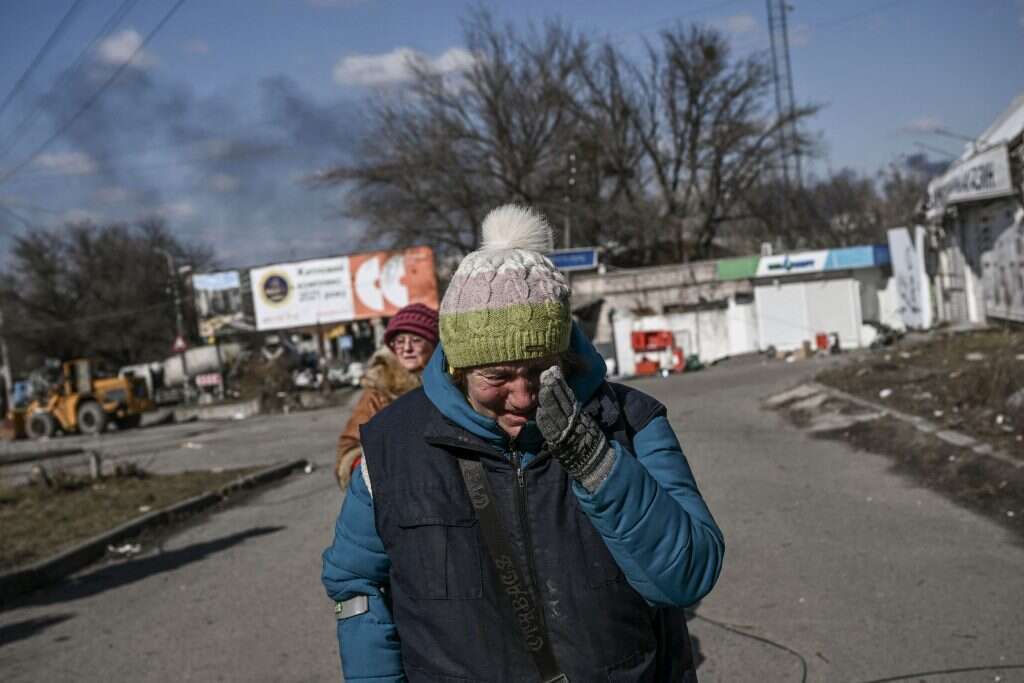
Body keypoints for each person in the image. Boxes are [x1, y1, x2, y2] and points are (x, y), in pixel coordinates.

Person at [322, 205, 724, 681]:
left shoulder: (631, 422)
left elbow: (689, 575)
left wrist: (599, 466)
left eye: (540, 370)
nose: (524, 395)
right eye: (497, 376)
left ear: (565, 354)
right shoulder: (391, 446)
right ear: (459, 367)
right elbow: (357, 586)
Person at [334, 302, 438, 490]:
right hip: (397, 490)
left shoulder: (450, 388)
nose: (406, 348)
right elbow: (348, 448)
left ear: (434, 344)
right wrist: (368, 473)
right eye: (399, 341)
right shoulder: (378, 392)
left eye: (416, 340)